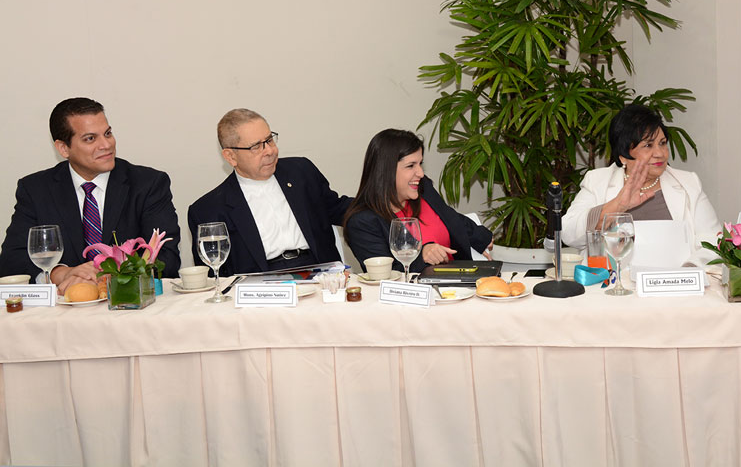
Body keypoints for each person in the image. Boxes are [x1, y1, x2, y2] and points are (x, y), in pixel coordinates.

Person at [0, 98, 181, 291]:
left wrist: (106, 276)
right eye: (90, 138)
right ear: (63, 148)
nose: (106, 145)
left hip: (130, 308)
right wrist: (60, 273)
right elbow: (11, 262)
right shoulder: (36, 190)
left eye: (108, 133)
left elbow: (166, 259)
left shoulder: (148, 184)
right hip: (64, 312)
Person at [188, 109, 352, 277]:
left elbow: (338, 209)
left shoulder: (301, 173)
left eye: (269, 140)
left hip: (319, 272)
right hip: (260, 284)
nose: (270, 151)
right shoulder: (208, 210)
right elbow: (213, 275)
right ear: (230, 157)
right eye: (256, 146)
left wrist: (377, 201)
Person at [561, 104, 719, 267]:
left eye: (662, 143)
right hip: (614, 285)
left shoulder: (688, 183)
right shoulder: (597, 181)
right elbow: (568, 233)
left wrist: (686, 274)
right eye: (648, 145)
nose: (660, 153)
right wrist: (618, 205)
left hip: (675, 286)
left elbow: (713, 244)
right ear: (623, 156)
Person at [343, 129, 493, 273]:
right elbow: (388, 274)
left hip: (459, 287)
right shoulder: (362, 222)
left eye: (420, 163)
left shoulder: (423, 189)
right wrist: (422, 255)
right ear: (385, 171)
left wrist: (479, 236)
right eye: (410, 166)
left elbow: (448, 216)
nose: (420, 173)